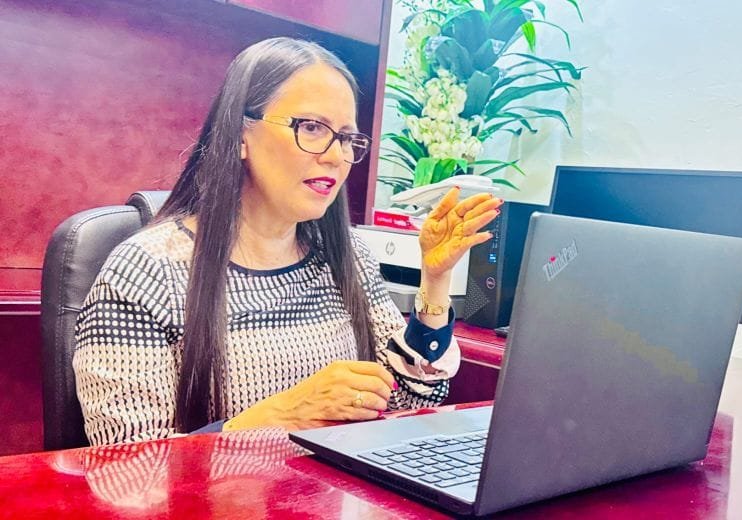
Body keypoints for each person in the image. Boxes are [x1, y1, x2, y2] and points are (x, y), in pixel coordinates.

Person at [73, 37, 502, 446]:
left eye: (347, 138)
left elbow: (411, 399)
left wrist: (435, 279)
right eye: (311, 127)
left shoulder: (347, 258)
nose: (335, 156)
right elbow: (126, 468)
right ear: (240, 135)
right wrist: (282, 416)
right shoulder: (146, 271)